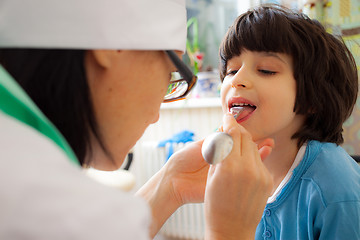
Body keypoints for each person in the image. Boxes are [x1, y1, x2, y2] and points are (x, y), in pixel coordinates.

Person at [0, 0, 275, 239]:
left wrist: (171, 182)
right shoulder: (54, 212)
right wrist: (228, 232)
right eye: (171, 74)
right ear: (114, 42)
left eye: (266, 69)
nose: (156, 116)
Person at [219, 4, 360, 239]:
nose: (237, 80)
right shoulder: (235, 169)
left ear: (312, 99)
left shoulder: (336, 190)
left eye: (265, 70)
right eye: (232, 70)